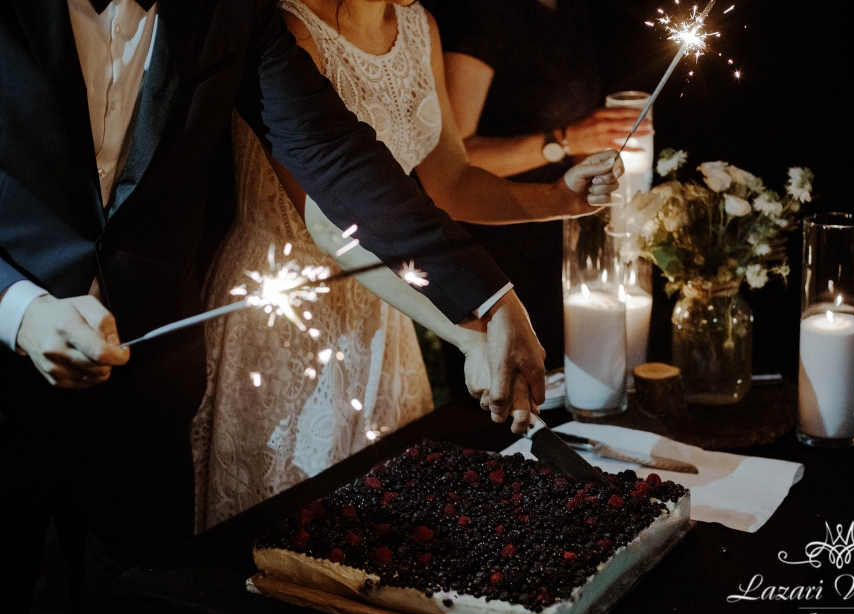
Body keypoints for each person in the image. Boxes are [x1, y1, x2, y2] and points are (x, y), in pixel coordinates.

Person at [0, 0, 587, 614]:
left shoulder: (231, 11)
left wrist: (491, 302)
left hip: (146, 395)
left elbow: (337, 157)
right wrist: (19, 308)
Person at [190, 0, 622, 531]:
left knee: (391, 528)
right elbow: (334, 230)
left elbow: (452, 183)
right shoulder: (291, 28)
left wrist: (557, 198)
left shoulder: (418, 26)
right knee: (290, 529)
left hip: (389, 311)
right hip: (287, 309)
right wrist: (467, 334)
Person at [425, 0, 651, 396]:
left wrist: (604, 159)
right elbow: (455, 158)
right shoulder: (485, 15)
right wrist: (566, 140)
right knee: (505, 392)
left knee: (571, 386)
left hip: (556, 235)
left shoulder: (571, 13)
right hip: (498, 239)